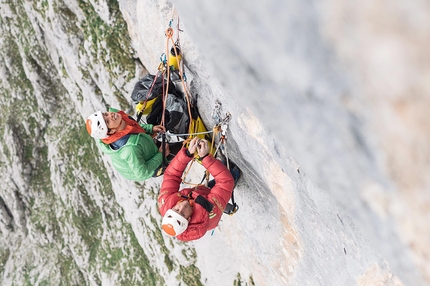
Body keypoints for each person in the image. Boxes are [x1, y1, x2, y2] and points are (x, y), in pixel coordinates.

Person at [157, 137, 240, 241]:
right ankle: (233, 175)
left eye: (176, 209)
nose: (182, 206)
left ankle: (218, 175)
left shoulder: (166, 201)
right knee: (230, 177)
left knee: (212, 184)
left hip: (199, 195)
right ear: (189, 219)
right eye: (183, 213)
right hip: (207, 204)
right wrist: (205, 158)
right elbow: (225, 182)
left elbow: (171, 175)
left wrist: (187, 153)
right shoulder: (209, 211)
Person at [85, 108, 170, 181]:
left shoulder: (120, 123)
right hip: (148, 168)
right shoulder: (130, 149)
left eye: (105, 114)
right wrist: (160, 155)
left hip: (140, 150)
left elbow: (133, 128)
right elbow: (142, 173)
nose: (110, 115)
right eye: (107, 122)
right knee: (181, 154)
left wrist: (150, 129)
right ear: (111, 132)